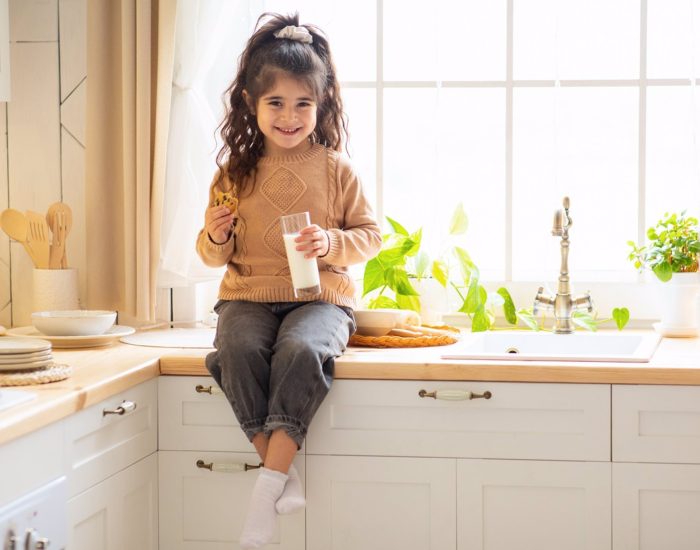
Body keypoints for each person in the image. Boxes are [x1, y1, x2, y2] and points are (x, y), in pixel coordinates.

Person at [195, 12, 381, 549]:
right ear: (251, 106)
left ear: (320, 105)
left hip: (320, 296)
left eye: (303, 103)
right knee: (236, 348)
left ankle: (264, 492)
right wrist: (216, 234)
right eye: (275, 102)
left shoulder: (336, 170)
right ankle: (283, 471)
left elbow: (371, 235)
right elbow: (211, 256)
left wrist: (331, 243)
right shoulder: (233, 174)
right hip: (248, 295)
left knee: (301, 349)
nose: (290, 115)